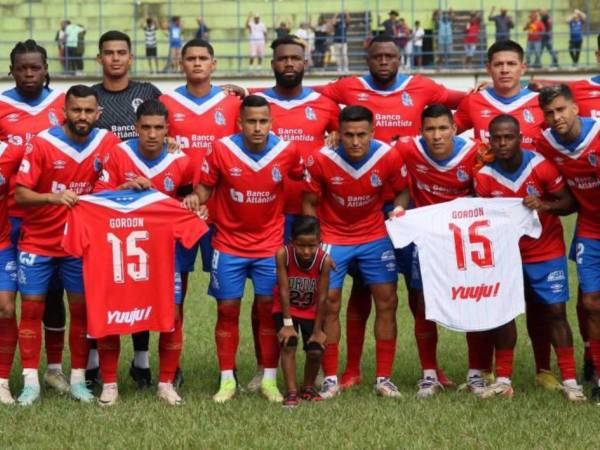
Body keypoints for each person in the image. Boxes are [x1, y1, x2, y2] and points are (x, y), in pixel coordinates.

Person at [314, 34, 465, 389]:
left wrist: (486, 91)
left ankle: (430, 368)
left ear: (400, 59)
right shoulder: (348, 87)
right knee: (360, 292)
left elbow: (464, 102)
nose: (384, 61)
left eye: (390, 56)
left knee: (414, 293)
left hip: (405, 204)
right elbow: (307, 102)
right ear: (367, 59)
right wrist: (329, 130)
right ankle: (350, 370)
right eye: (377, 56)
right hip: (359, 203)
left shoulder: (423, 87)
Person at [455, 40, 560, 390]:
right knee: (491, 293)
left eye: (511, 63)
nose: (504, 70)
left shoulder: (538, 101)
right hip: (491, 207)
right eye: (498, 63)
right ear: (488, 68)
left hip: (534, 211)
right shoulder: (474, 101)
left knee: (537, 300)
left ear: (523, 67)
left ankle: (544, 369)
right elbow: (445, 133)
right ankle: (486, 369)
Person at [239, 36, 339, 390]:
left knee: (319, 294)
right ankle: (262, 367)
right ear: (273, 63)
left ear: (305, 62)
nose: (289, 64)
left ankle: (323, 370)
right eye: (283, 59)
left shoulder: (325, 105)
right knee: (266, 296)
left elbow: (341, 143)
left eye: (296, 58)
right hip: (269, 215)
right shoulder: (256, 101)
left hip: (312, 214)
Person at [192, 95, 305, 403]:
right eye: (251, 121)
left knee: (270, 313)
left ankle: (270, 379)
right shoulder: (220, 149)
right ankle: (227, 380)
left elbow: (303, 177)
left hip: (269, 245)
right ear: (239, 123)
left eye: (263, 121)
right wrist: (196, 198)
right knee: (227, 310)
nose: (257, 127)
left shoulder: (287, 151)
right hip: (228, 244)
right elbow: (205, 186)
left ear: (271, 122)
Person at [14, 85, 120, 406]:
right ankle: (31, 381)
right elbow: (20, 194)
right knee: (32, 309)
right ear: (64, 110)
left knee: (81, 311)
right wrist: (53, 197)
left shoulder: (109, 143)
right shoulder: (43, 144)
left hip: (79, 243)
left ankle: (77, 380)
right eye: (76, 110)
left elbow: (122, 175)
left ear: (98, 113)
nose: (82, 117)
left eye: (89, 111)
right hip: (39, 241)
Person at [92, 99, 196, 406]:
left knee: (171, 315)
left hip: (166, 253)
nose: (152, 134)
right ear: (136, 128)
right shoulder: (118, 154)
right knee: (113, 312)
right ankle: (109, 384)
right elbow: (96, 197)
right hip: (124, 252)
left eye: (158, 128)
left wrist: (192, 200)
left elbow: (190, 193)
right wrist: (122, 188)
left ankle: (165, 383)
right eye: (146, 127)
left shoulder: (182, 160)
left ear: (167, 130)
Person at [474, 113, 584, 401]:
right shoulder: (484, 177)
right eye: (496, 138)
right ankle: (503, 379)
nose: (502, 143)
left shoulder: (541, 167)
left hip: (546, 252)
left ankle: (571, 382)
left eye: (508, 137)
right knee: (504, 314)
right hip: (506, 255)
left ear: (520, 138)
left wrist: (544, 205)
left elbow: (569, 202)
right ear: (490, 140)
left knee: (556, 313)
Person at [303, 105, 407, 399]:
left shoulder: (388, 155)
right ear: (338, 134)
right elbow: (310, 201)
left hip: (374, 235)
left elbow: (402, 190)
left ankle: (384, 378)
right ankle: (331, 379)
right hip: (334, 235)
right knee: (328, 303)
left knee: (387, 302)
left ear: (373, 132)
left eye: (362, 134)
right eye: (348, 135)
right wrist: (315, 240)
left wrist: (398, 210)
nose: (356, 141)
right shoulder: (321, 159)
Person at [90, 30, 162, 388]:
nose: (115, 58)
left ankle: (141, 361)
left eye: (121, 52)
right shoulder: (90, 98)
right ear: (99, 58)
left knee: (141, 283)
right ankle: (91, 364)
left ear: (131, 57)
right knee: (104, 286)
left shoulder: (147, 93)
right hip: (104, 206)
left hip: (145, 208)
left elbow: (170, 126)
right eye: (109, 53)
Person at [394, 104, 482, 397]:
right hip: (426, 242)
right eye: (430, 129)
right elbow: (400, 181)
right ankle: (429, 374)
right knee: (423, 305)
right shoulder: (408, 149)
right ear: (420, 132)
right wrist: (400, 207)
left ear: (455, 129)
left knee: (473, 302)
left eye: (443, 128)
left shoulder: (475, 153)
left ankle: (476, 374)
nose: (436, 135)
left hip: (463, 241)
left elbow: (484, 193)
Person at [0, 40, 69, 402]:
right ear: (11, 70)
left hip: (53, 217)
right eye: (22, 68)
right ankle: (14, 373)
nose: (29, 74)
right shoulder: (1, 107)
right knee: (13, 301)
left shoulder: (63, 105)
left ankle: (54, 369)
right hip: (10, 217)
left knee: (54, 293)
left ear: (46, 69)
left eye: (35, 67)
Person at [536, 84, 600, 404]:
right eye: (549, 113)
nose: (556, 117)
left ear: (576, 108)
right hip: (590, 226)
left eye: (561, 110)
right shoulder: (545, 143)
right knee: (590, 303)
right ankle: (598, 374)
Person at [273, 216, 331, 407]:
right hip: (286, 307)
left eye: (312, 246)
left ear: (319, 243)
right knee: (288, 344)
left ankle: (307, 387)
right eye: (301, 245)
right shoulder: (283, 254)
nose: (306, 251)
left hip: (312, 310)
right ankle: (291, 391)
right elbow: (283, 289)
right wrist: (287, 324)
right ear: (292, 242)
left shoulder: (324, 260)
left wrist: (317, 331)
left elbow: (323, 296)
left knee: (315, 351)